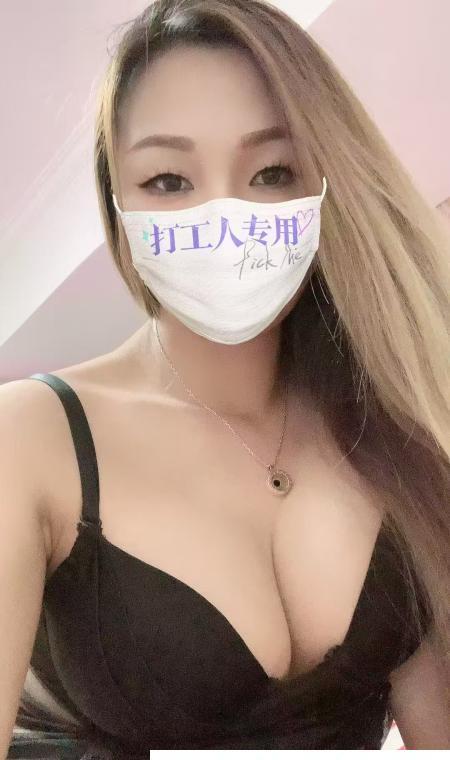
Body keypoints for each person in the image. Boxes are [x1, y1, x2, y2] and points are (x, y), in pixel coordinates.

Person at [2, 0, 450, 755]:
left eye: (272, 171)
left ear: (325, 184)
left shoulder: (392, 426)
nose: (224, 216)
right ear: (118, 205)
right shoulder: (29, 438)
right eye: (168, 179)